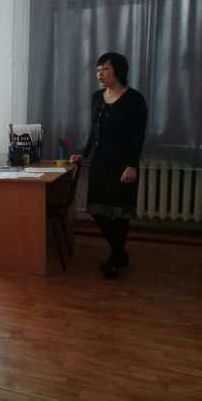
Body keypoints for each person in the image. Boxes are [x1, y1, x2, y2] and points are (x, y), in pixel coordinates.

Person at [69, 52, 148, 280]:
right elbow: (94, 131)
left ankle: (115, 259)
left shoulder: (134, 99)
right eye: (97, 70)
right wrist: (84, 154)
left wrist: (132, 165)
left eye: (105, 69)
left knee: (119, 214)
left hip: (122, 164)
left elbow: (138, 137)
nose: (99, 74)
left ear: (118, 70)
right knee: (97, 210)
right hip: (100, 163)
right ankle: (120, 253)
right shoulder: (97, 97)